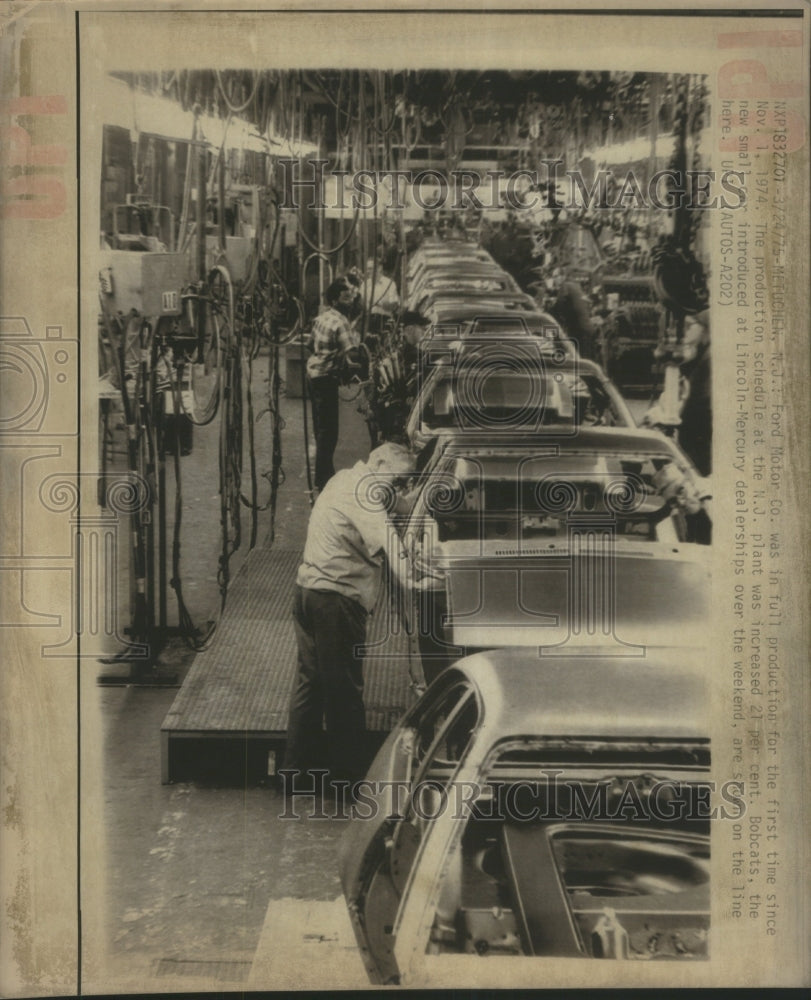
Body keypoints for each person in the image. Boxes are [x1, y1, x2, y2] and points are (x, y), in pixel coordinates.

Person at [282, 443, 417, 793]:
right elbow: (392, 545)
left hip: (307, 593)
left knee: (310, 684)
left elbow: (397, 505)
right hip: (335, 602)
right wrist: (422, 583)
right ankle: (347, 781)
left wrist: (416, 496)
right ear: (379, 463)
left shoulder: (345, 479)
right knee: (345, 692)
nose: (398, 488)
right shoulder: (366, 494)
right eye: (397, 480)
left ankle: (294, 774)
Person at [307, 277, 359, 491]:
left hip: (313, 375)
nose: (350, 302)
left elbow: (311, 345)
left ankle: (325, 475)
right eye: (346, 298)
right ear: (336, 300)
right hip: (326, 379)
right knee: (329, 433)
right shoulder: (341, 322)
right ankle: (323, 480)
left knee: (320, 429)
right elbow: (353, 353)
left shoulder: (321, 318)